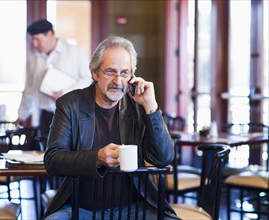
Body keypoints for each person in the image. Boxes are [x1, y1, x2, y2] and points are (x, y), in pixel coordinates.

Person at [43, 36, 180, 219]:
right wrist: (96, 157)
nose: (118, 80)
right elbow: (53, 160)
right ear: (95, 73)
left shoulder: (139, 105)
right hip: (80, 209)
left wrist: (151, 107)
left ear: (132, 76)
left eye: (124, 73)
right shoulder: (70, 104)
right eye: (110, 72)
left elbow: (163, 158)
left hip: (135, 208)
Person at [17, 19, 93, 135]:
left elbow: (87, 80)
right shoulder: (34, 58)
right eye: (32, 40)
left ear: (50, 34)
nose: (34, 44)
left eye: (37, 39)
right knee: (44, 151)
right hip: (45, 116)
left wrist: (65, 93)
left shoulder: (75, 52)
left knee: (69, 151)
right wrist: (22, 115)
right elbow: (29, 89)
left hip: (70, 114)